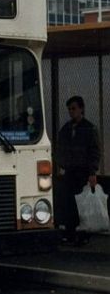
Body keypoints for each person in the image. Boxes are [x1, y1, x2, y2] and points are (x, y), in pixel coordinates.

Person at [54, 95, 101, 245]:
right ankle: (71, 232)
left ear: (81, 109)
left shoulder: (88, 129)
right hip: (70, 170)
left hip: (83, 171)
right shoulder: (66, 129)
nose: (71, 112)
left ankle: (81, 233)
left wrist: (92, 172)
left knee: (81, 202)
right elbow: (59, 148)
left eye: (74, 109)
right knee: (69, 202)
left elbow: (94, 151)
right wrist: (61, 164)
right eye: (69, 109)